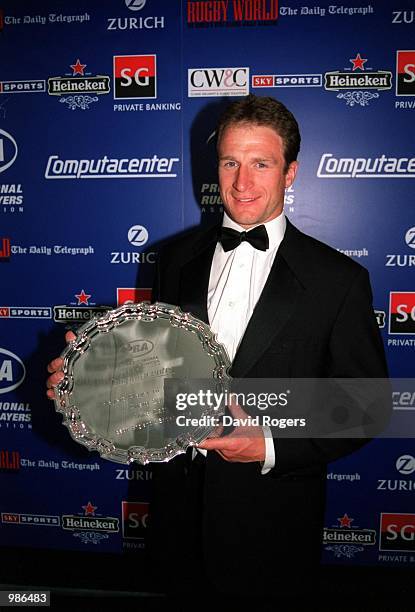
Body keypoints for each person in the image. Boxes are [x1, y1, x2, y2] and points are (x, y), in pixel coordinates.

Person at [47, 95, 388, 600]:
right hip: (175, 523)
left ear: (290, 173)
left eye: (261, 164)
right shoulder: (174, 259)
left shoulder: (339, 280)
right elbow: (158, 378)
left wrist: (269, 444)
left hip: (272, 527)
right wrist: (91, 386)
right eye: (230, 162)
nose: (242, 182)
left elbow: (367, 406)